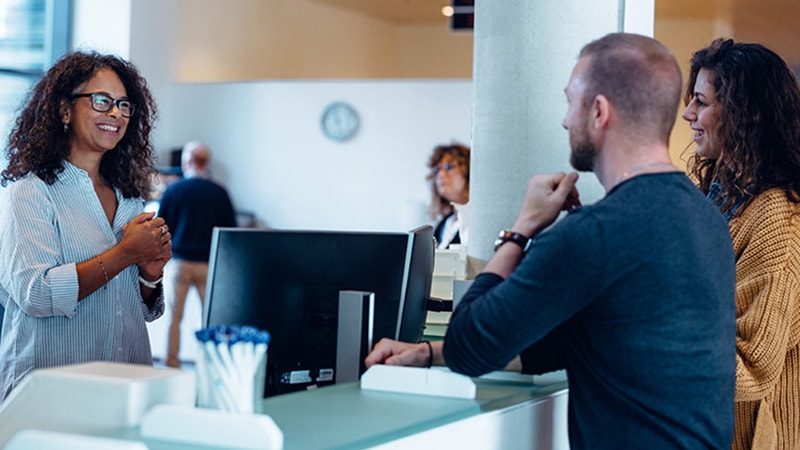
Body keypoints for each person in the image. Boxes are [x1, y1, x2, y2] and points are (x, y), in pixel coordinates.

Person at [365, 33, 737, 449]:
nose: (564, 120)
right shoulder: (707, 218)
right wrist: (429, 353)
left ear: (598, 111)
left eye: (570, 102)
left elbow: (471, 345)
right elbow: (574, 345)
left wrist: (521, 228)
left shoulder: (593, 233)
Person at [0, 51, 171, 401]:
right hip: (50, 394)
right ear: (64, 110)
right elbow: (36, 293)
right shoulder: (30, 193)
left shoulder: (128, 198)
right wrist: (124, 254)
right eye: (102, 101)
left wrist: (150, 276)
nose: (115, 114)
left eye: (124, 105)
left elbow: (131, 310)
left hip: (125, 388)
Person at [681, 38, 800, 450]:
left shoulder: (777, 217)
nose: (687, 114)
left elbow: (753, 365)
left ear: (743, 113)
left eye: (701, 101)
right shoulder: (721, 195)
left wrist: (655, 325)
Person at [157, 140, 237, 368]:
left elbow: (162, 226)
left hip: (180, 263)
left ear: (186, 162)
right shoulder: (219, 193)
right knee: (209, 319)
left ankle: (171, 362)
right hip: (208, 265)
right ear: (206, 162)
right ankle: (209, 363)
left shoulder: (174, 190)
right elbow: (229, 231)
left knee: (175, 318)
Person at [426, 143, 470, 249]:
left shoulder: (477, 221)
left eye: (448, 167)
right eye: (436, 170)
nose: (440, 174)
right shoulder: (443, 224)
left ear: (468, 171)